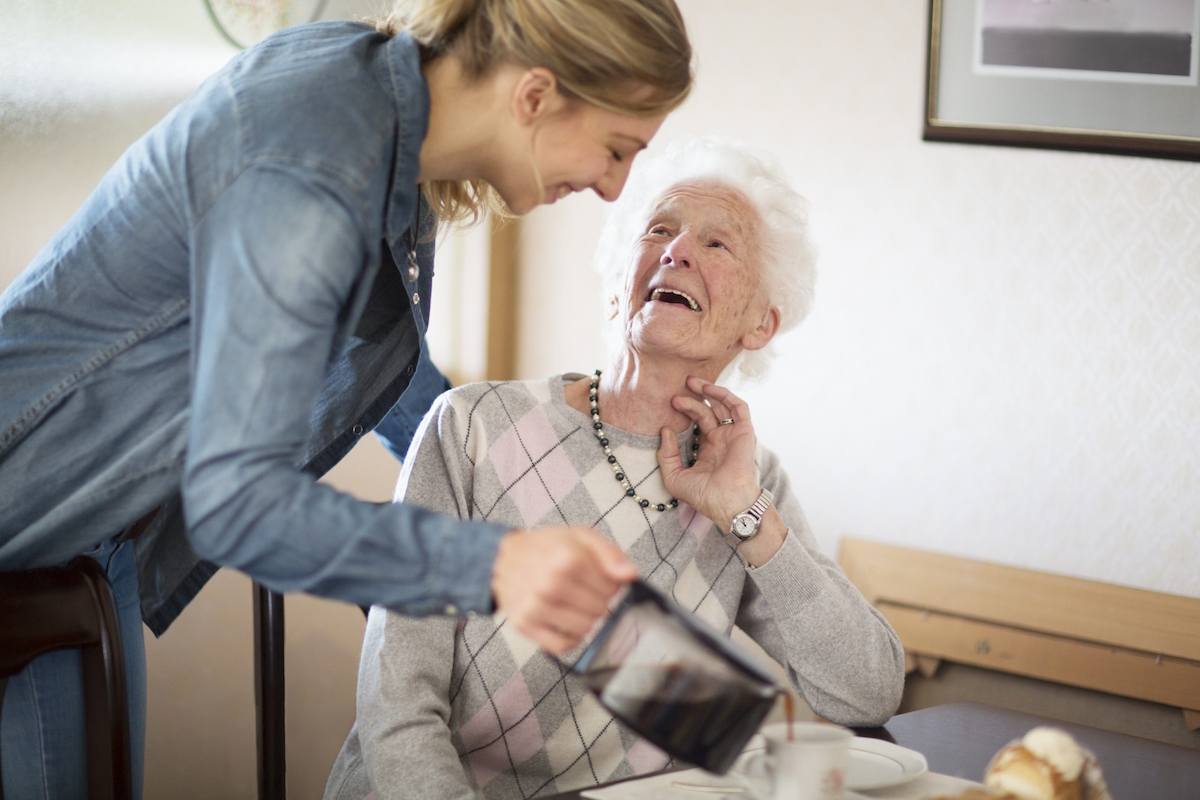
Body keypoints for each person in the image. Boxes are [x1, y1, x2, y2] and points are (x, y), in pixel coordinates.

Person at [0, 1, 692, 796]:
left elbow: (398, 387)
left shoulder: (384, 129)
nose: (615, 188)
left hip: (97, 544)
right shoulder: (317, 162)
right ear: (535, 94)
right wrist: (497, 563)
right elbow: (237, 503)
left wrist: (519, 511)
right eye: (616, 149)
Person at [325, 138, 906, 800]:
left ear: (759, 323)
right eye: (659, 229)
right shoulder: (472, 426)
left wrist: (746, 517)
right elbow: (397, 699)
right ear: (616, 287)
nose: (676, 249)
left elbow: (867, 691)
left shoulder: (749, 481)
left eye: (717, 245)